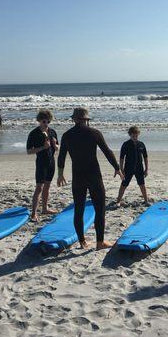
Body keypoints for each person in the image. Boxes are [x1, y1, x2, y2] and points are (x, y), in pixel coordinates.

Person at [57, 107, 124, 250]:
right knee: (99, 209)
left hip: (78, 177)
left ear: (74, 119)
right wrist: (117, 168)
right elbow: (107, 151)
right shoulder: (94, 133)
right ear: (87, 120)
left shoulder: (67, 135)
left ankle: (82, 242)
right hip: (94, 175)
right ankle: (100, 243)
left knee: (79, 209)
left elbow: (61, 156)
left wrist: (60, 174)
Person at [26, 109, 59, 222]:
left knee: (47, 186)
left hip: (51, 162)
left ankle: (45, 208)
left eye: (48, 122)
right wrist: (43, 148)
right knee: (39, 188)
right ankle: (34, 213)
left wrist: (55, 145)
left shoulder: (52, 132)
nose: (46, 124)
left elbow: (58, 148)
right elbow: (29, 151)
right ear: (39, 120)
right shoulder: (34, 133)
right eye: (44, 121)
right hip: (41, 163)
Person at [116, 126, 149, 206]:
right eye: (133, 136)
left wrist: (146, 169)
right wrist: (121, 169)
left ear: (138, 135)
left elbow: (145, 157)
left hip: (139, 168)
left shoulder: (141, 144)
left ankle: (146, 201)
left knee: (142, 184)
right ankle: (118, 201)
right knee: (124, 185)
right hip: (128, 168)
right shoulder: (126, 144)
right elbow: (121, 158)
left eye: (136, 135)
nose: (135, 137)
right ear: (130, 135)